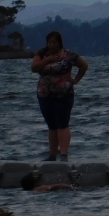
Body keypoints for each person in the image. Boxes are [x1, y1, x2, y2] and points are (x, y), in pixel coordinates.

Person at [31, 30, 88, 162]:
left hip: (64, 94)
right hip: (45, 94)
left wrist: (76, 79)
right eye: (49, 42)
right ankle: (52, 155)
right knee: (51, 125)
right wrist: (48, 60)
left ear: (59, 43)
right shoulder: (42, 54)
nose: (51, 45)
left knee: (62, 124)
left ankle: (63, 154)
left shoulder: (68, 55)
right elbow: (34, 68)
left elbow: (84, 65)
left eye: (54, 42)